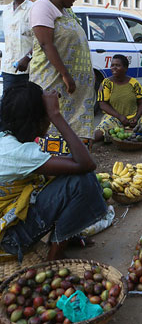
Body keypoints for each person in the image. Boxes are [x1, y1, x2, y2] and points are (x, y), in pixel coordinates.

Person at [0, 82, 106, 261]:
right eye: (47, 118)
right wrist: (56, 115)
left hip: (9, 226)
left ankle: (66, 236)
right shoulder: (18, 153)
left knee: (57, 175)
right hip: (9, 239)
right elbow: (86, 164)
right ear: (40, 120)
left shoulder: (7, 138)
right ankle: (55, 256)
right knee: (82, 180)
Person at [30, 0, 95, 156]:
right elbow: (46, 44)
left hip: (73, 91)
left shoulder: (65, 11)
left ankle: (76, 161)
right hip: (54, 80)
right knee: (52, 122)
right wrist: (66, 75)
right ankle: (54, 166)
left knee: (71, 126)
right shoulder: (42, 7)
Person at [1, 0, 33, 99]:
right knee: (7, 108)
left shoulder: (33, 9)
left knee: (26, 108)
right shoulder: (6, 11)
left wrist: (27, 58)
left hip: (28, 72)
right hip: (8, 70)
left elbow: (41, 41)